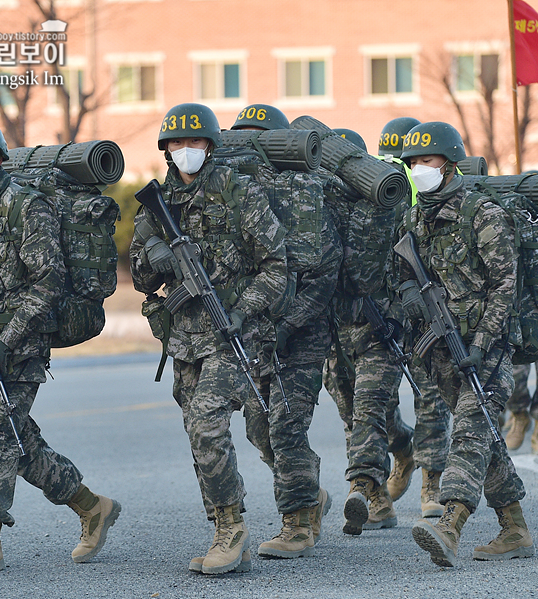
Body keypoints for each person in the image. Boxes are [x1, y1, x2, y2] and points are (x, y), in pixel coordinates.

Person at [0, 117, 120, 573]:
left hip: (23, 341)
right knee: (16, 442)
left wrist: (10, 340)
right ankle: (90, 505)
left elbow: (49, 281)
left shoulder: (25, 204)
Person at [129, 103, 287, 574]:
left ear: (210, 147)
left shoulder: (240, 193)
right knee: (196, 435)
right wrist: (160, 254)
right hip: (185, 339)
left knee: (206, 423)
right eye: (176, 144)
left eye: (194, 142)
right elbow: (139, 274)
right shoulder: (156, 204)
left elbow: (277, 266)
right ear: (166, 150)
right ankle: (220, 523)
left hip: (236, 331)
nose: (185, 151)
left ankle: (233, 529)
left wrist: (243, 309)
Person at [397, 121, 534, 566]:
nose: (419, 169)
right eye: (413, 162)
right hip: (439, 351)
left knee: (472, 432)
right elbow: (398, 277)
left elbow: (504, 286)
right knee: (486, 440)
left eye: (427, 161)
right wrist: (412, 299)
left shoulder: (484, 215)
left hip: (484, 350)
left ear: (450, 164)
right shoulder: (415, 217)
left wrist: (481, 341)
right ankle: (514, 528)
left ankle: (450, 523)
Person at [227, 104, 342, 559]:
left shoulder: (307, 199)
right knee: (259, 428)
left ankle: (296, 524)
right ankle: (309, 492)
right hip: (256, 333)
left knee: (286, 427)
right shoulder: (233, 196)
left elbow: (325, 277)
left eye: (256, 139)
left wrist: (286, 324)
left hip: (303, 333)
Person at [319, 127, 403, 535]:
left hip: (378, 330)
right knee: (355, 416)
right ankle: (383, 491)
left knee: (368, 412)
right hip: (337, 334)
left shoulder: (386, 205)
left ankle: (361, 485)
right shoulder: (319, 205)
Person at [377, 116, 451, 518]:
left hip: (429, 314)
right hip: (386, 314)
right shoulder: (375, 193)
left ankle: (432, 482)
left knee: (431, 399)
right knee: (374, 400)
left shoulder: (429, 201)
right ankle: (402, 452)